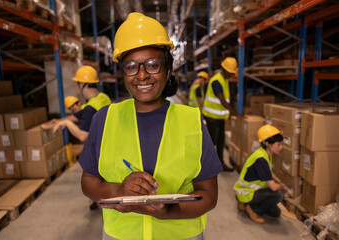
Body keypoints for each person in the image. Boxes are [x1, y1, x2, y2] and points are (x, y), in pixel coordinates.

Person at [79, 12, 222, 240]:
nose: (142, 75)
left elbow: (208, 196)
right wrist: (118, 191)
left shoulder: (191, 121)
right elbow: (88, 181)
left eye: (153, 64)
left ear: (168, 67)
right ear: (123, 72)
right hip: (121, 235)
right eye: (131, 66)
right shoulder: (105, 119)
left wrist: (167, 212)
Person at [42, 65, 111, 210]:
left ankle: (99, 199)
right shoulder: (102, 98)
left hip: (102, 150)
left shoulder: (89, 109)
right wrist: (57, 122)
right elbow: (78, 115)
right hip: (111, 143)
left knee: (93, 177)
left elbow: (82, 136)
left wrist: (66, 123)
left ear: (82, 84)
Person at [233, 124, 289, 223]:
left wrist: (279, 182)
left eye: (281, 144)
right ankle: (252, 210)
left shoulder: (265, 153)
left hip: (253, 190)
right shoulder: (261, 159)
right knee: (279, 194)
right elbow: (273, 187)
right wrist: (282, 186)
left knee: (276, 213)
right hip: (246, 192)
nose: (281, 147)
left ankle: (244, 204)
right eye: (278, 144)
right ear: (267, 143)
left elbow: (269, 172)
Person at [202, 57, 242, 171]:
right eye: (230, 72)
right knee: (212, 142)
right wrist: (235, 113)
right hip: (211, 117)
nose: (231, 75)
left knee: (220, 141)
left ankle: (220, 164)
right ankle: (206, 165)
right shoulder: (217, 81)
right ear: (224, 69)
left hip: (219, 117)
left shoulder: (224, 80)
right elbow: (222, 100)